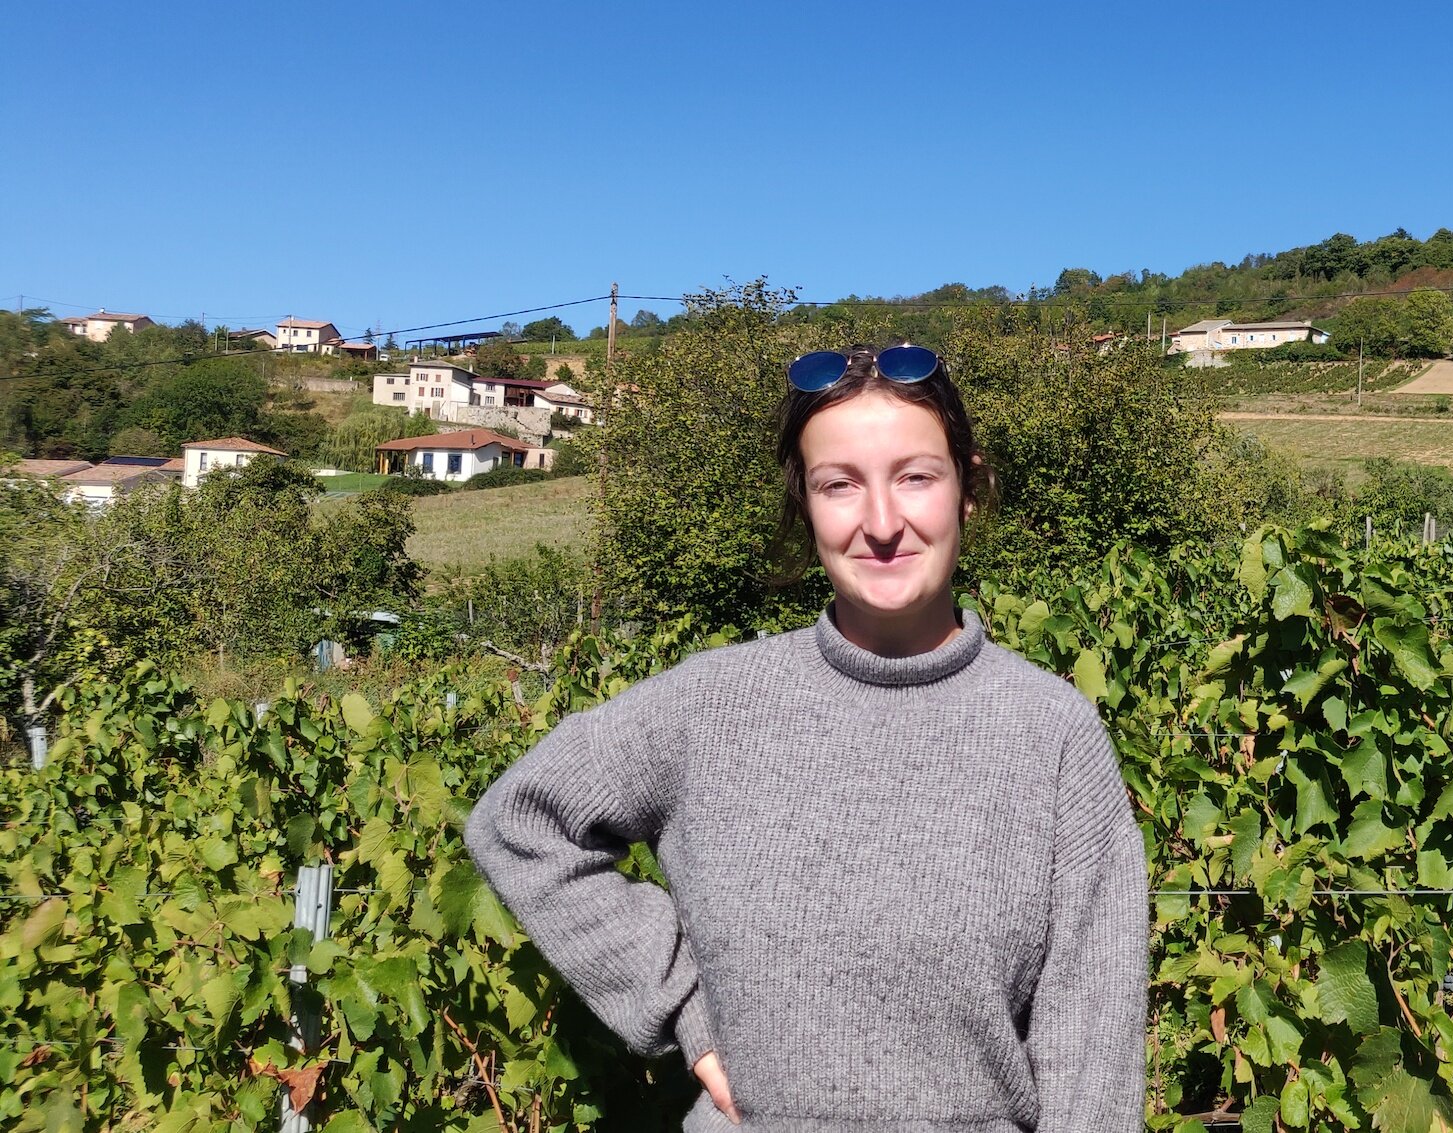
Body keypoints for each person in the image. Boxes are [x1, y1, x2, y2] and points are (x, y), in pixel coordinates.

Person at [465, 342, 1149, 1132]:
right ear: (805, 505)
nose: (882, 523)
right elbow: (520, 820)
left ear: (967, 488)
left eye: (916, 476)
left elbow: (1092, 1068)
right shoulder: (711, 705)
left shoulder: (1051, 736)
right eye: (839, 485)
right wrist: (681, 1003)